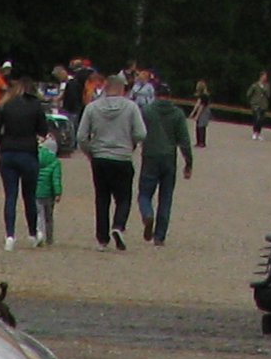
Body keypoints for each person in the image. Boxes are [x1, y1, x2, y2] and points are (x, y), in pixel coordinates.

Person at [77, 75, 142, 249]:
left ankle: (102, 239)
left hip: (100, 157)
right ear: (122, 89)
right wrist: (131, 143)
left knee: (102, 197)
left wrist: (90, 151)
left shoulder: (92, 107)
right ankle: (118, 225)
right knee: (124, 197)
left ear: (105, 88)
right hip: (122, 157)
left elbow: (81, 136)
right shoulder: (131, 107)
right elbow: (141, 133)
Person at [0, 74, 47, 250]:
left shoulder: (5, 104)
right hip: (28, 152)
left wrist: (2, 140)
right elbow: (43, 130)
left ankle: (10, 236)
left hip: (8, 152)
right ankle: (32, 233)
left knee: (10, 196)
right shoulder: (36, 105)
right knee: (29, 196)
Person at [136, 79, 193, 243]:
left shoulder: (146, 111)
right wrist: (188, 162)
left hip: (150, 155)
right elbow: (184, 141)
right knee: (166, 197)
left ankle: (147, 214)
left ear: (155, 94)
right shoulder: (178, 114)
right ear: (170, 96)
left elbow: (137, 132)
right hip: (169, 158)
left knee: (144, 194)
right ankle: (159, 236)